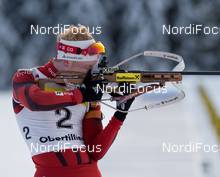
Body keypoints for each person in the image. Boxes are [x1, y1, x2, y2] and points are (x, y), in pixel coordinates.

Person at [12, 25, 134, 177]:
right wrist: (81, 94)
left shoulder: (85, 88)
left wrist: (120, 115)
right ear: (68, 61)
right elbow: (34, 100)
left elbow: (95, 151)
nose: (91, 73)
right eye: (87, 67)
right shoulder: (28, 77)